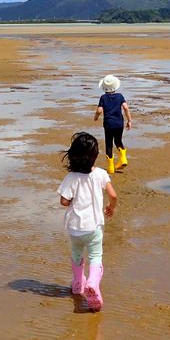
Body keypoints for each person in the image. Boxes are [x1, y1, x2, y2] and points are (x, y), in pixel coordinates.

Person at [58, 131, 118, 312]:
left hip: (75, 228)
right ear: (95, 156)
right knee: (95, 256)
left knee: (77, 254)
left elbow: (63, 201)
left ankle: (77, 285)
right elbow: (113, 195)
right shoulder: (100, 174)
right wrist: (111, 207)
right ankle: (92, 282)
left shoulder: (70, 178)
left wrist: (70, 200)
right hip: (94, 228)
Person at [93, 74, 132, 174]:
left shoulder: (103, 98)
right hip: (119, 123)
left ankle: (111, 168)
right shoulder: (120, 96)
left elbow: (99, 110)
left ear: (104, 87)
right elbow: (126, 108)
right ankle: (123, 159)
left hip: (109, 124)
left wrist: (96, 117)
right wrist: (129, 121)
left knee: (109, 144)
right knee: (118, 140)